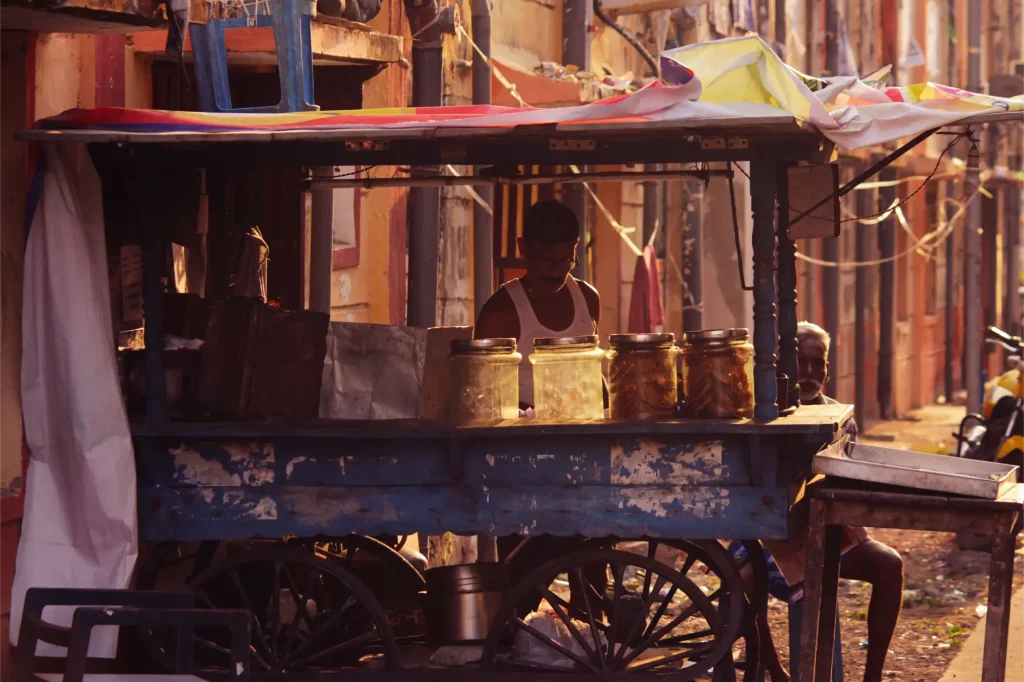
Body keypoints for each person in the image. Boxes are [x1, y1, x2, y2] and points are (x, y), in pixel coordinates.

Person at [738, 322, 904, 682]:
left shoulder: (840, 418)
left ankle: (872, 676)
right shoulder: (761, 413)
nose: (811, 372)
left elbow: (848, 488)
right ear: (784, 364)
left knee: (889, 564)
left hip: (826, 532)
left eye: (819, 363)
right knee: (743, 580)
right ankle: (773, 668)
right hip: (766, 535)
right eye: (803, 362)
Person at [474, 198, 601, 410]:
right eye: (546, 261)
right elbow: (484, 395)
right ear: (523, 248)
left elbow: (592, 372)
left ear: (576, 249)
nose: (555, 272)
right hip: (523, 437)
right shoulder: (499, 312)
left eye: (565, 261)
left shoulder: (588, 298)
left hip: (584, 428)